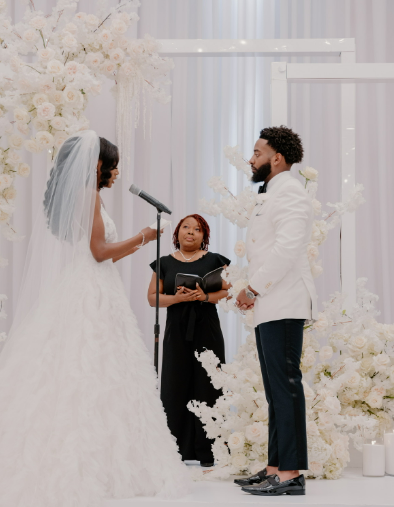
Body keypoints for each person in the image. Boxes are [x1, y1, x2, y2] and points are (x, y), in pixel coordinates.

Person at [0, 131, 190, 506]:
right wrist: (143, 236)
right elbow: (99, 251)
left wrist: (141, 242)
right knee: (88, 366)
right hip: (91, 290)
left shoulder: (88, 196)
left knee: (92, 368)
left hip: (94, 283)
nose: (118, 172)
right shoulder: (89, 196)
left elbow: (103, 254)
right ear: (97, 164)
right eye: (114, 165)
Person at [234, 126, 318, 497]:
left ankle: (290, 474)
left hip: (283, 300)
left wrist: (253, 288)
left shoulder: (291, 192)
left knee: (285, 387)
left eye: (257, 153)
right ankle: (274, 467)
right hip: (270, 303)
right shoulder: (273, 192)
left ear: (277, 158)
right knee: (275, 391)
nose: (251, 159)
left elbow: (287, 249)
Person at [147, 214, 230, 467]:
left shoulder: (215, 260)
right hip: (176, 330)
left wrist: (204, 296)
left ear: (204, 236)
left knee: (209, 384)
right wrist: (178, 298)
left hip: (207, 328)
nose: (191, 232)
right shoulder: (164, 263)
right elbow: (152, 298)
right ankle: (175, 451)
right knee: (175, 384)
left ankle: (210, 451)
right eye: (186, 227)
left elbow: (228, 290)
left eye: (197, 229)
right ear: (177, 233)